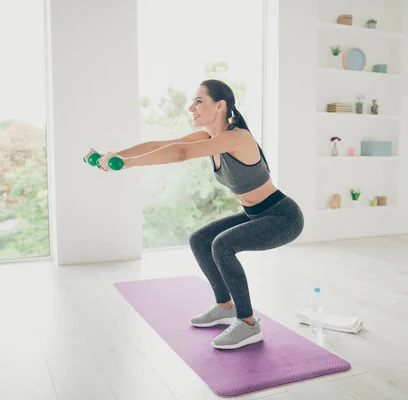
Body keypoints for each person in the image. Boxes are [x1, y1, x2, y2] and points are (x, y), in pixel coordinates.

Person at [85, 79, 304, 350]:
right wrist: (114, 156)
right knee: (200, 240)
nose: (191, 107)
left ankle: (248, 324)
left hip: (283, 217)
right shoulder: (209, 138)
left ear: (220, 105)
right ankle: (224, 306)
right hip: (255, 215)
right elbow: (160, 144)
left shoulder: (238, 137)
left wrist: (127, 165)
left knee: (222, 245)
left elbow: (181, 154)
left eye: (199, 101)